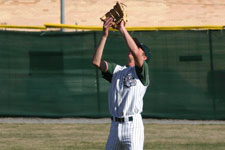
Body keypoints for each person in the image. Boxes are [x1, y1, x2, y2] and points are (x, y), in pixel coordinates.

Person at [92, 17, 151, 150]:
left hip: (133, 126)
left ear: (145, 57)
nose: (134, 49)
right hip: (115, 126)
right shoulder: (117, 70)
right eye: (135, 46)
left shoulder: (142, 71)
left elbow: (136, 52)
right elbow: (96, 62)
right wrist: (104, 35)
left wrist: (122, 28)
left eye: (139, 48)